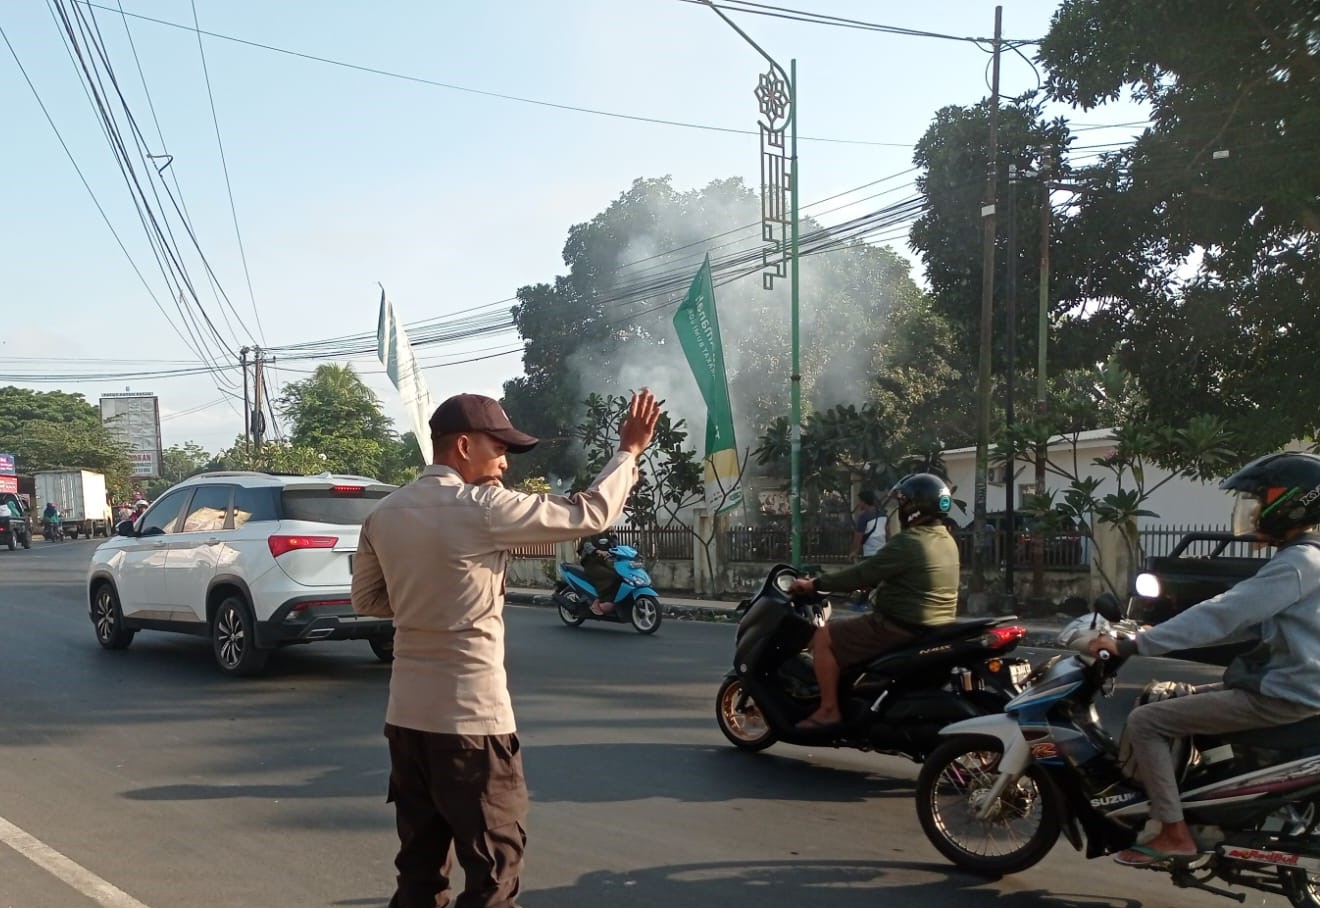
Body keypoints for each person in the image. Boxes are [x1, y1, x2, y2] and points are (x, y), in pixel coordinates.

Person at [351, 389, 660, 908]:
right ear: (465, 446)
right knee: (494, 876)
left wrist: (425, 605)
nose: (503, 465)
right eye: (500, 450)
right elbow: (591, 514)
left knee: (420, 875)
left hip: (406, 723)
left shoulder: (383, 514)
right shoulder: (482, 508)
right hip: (472, 725)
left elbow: (367, 599)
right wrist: (628, 451)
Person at [1089, 452, 1320, 868]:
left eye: (1260, 498)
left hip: (1286, 693)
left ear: (1292, 502)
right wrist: (1162, 637)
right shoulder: (1311, 557)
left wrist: (1136, 645)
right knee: (1180, 697)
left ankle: (1173, 833)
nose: (1251, 511)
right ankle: (1202, 804)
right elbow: (1247, 624)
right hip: (1296, 685)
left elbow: (1222, 614)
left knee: (1147, 721)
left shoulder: (1297, 563)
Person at [787, 472, 960, 730]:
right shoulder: (946, 540)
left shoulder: (910, 541)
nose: (900, 508)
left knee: (823, 636)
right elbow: (904, 575)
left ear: (913, 506)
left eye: (903, 503)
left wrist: (814, 585)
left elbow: (860, 574)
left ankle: (828, 710)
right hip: (934, 626)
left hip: (897, 626)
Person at [578, 530, 621, 615]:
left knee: (619, 575)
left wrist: (614, 534)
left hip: (604, 562)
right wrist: (599, 551)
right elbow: (587, 546)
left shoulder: (606, 532)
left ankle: (613, 601)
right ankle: (599, 601)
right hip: (591, 563)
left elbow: (615, 546)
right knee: (610, 576)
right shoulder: (589, 530)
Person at [847, 489, 886, 561]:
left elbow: (858, 537)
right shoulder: (883, 515)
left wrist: (854, 552)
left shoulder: (863, 517)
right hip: (882, 554)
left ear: (863, 502)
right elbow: (888, 534)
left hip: (870, 554)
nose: (858, 504)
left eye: (859, 501)